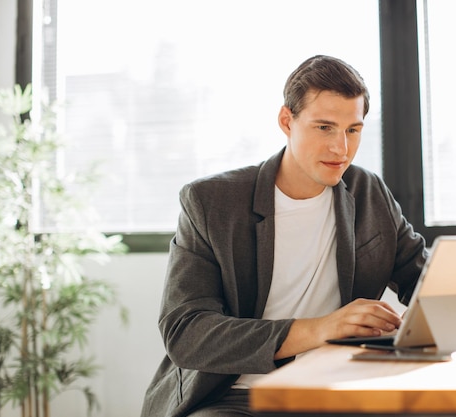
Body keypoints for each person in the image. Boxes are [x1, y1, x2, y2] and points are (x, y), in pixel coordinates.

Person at [140, 55, 428, 417]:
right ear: (286, 121)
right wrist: (320, 329)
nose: (341, 149)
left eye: (353, 130)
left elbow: (422, 277)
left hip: (338, 389)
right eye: (324, 127)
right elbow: (188, 333)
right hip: (236, 396)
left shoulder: (368, 191)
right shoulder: (211, 202)